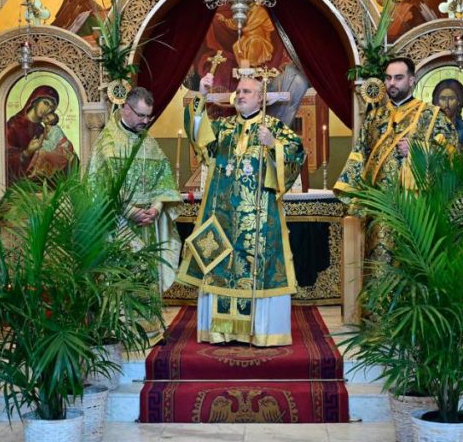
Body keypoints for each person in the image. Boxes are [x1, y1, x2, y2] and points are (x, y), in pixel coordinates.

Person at [177, 72, 305, 346]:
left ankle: (260, 332)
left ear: (261, 98)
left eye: (248, 91)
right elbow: (198, 134)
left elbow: (296, 154)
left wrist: (274, 146)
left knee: (259, 268)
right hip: (222, 219)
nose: (241, 95)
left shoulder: (275, 128)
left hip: (260, 221)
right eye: (239, 91)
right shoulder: (223, 128)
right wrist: (200, 95)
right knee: (219, 266)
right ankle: (220, 331)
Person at [334, 56, 456, 261]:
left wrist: (419, 150)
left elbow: (453, 154)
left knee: (414, 266)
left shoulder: (431, 115)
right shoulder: (374, 118)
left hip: (418, 208)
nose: (392, 83)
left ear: (411, 80)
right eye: (388, 78)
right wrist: (354, 198)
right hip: (381, 208)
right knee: (379, 267)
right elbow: (359, 156)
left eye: (398, 78)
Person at [88, 88, 182, 345]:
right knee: (122, 275)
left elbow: (164, 180)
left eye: (148, 117)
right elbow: (98, 187)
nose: (145, 121)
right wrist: (129, 211)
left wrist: (157, 207)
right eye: (141, 115)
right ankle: (121, 331)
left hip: (148, 224)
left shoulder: (148, 141)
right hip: (120, 225)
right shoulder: (107, 142)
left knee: (146, 275)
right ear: (126, 109)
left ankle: (149, 329)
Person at [5, 86, 56, 183]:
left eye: (51, 107)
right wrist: (27, 152)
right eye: (45, 103)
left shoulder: (42, 129)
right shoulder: (14, 124)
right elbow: (4, 159)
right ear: (35, 100)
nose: (47, 109)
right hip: (17, 185)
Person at [432, 78, 463, 151]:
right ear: (437, 102)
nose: (447, 104)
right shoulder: (428, 129)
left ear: (459, 101)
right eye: (442, 99)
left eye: (451, 99)